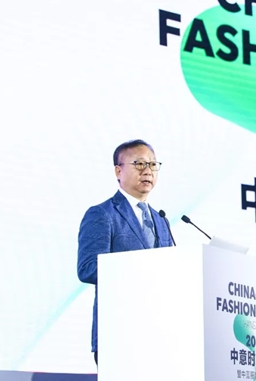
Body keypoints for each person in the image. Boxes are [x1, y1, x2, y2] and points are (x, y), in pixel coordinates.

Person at [77, 139, 174, 365]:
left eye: (153, 164)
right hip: (118, 332)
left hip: (160, 334)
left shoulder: (161, 220)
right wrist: (141, 267)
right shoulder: (102, 214)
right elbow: (88, 268)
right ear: (118, 171)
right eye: (139, 164)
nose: (147, 171)